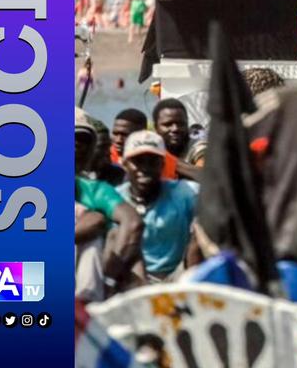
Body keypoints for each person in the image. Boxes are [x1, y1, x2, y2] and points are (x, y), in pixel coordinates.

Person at [76, 109, 143, 300]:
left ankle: (86, 305)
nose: (76, 148)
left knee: (97, 234)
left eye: (83, 143)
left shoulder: (95, 190)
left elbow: (132, 222)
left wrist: (109, 278)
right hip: (24, 277)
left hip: (83, 277)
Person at [116, 131, 200, 284]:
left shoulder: (185, 192)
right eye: (138, 161)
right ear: (125, 164)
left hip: (178, 274)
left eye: (152, 161)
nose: (145, 168)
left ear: (162, 164)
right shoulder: (115, 198)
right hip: (131, 275)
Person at [152, 98, 202, 180]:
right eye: (167, 124)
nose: (175, 129)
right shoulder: (150, 148)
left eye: (181, 124)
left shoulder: (197, 148)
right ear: (156, 127)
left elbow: (208, 177)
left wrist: (168, 160)